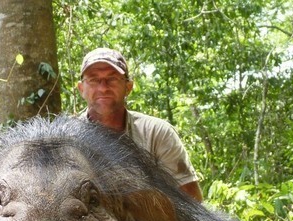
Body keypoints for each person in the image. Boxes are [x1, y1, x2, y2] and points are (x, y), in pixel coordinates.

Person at [77, 48, 203, 202]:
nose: (103, 88)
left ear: (128, 87)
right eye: (94, 80)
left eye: (112, 79)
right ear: (81, 89)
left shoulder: (156, 133)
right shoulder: (67, 138)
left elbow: (192, 200)